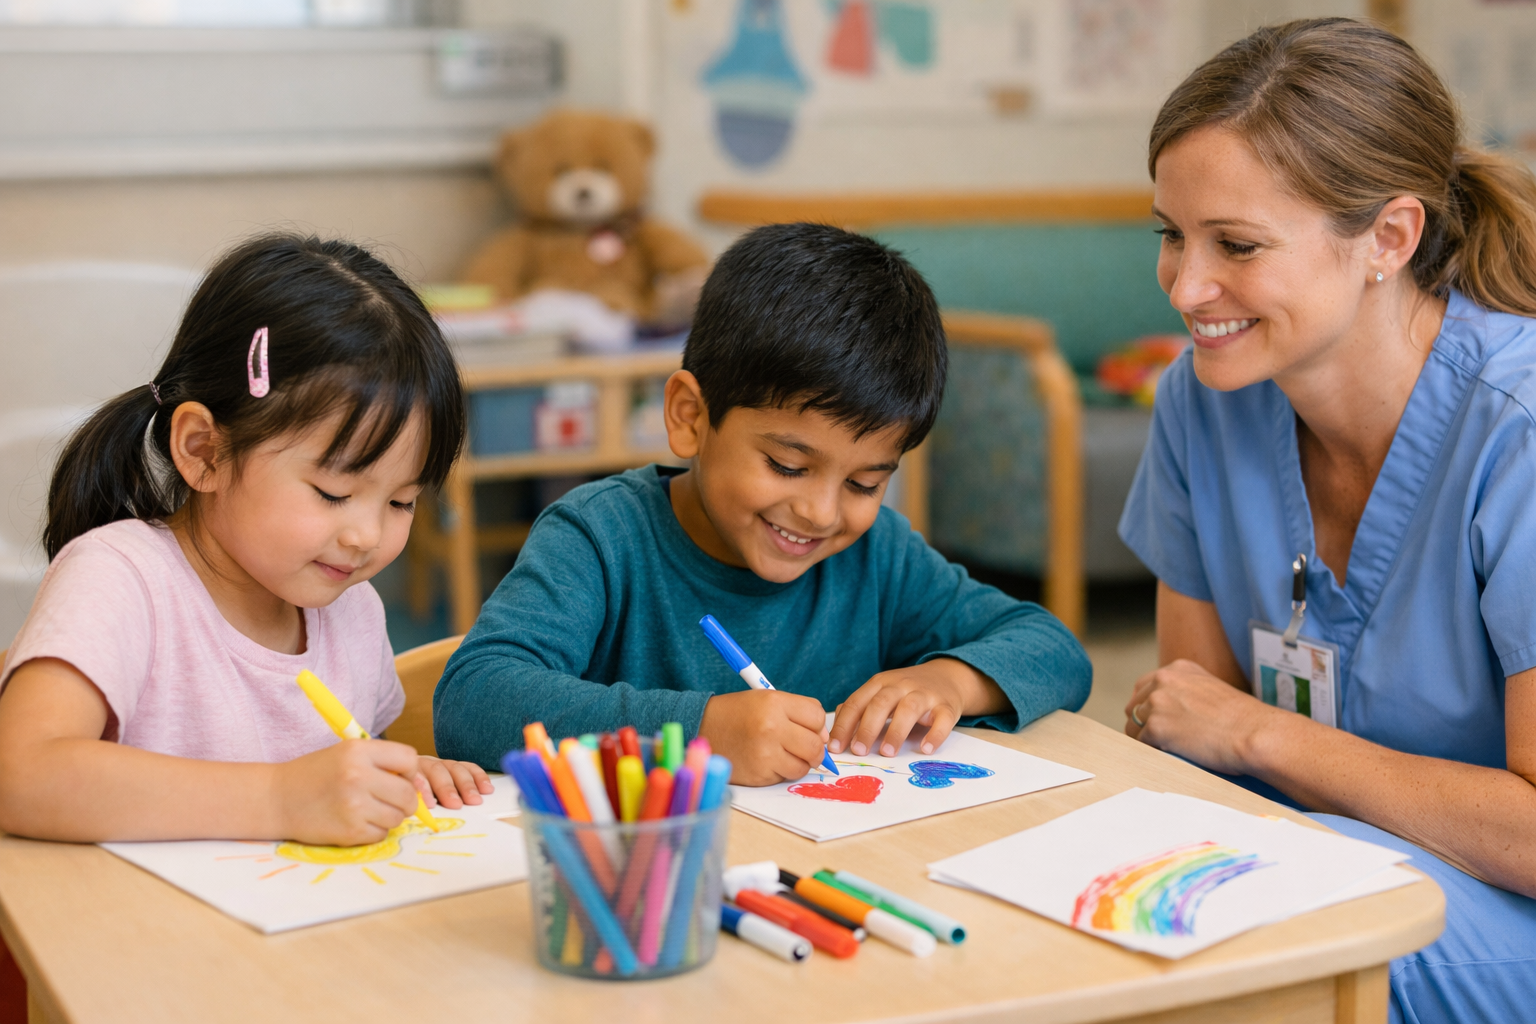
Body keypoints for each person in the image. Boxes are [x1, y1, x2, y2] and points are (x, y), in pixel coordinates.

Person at [1119, 19, 1536, 1023]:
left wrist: (1264, 736)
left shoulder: (1517, 434)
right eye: (1172, 235)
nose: (1185, 286)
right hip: (1295, 857)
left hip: (1502, 911)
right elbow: (1188, 728)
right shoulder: (1202, 401)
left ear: (1388, 238)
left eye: (1237, 245)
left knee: (1271, 957)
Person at [435, 223, 1091, 784]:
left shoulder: (875, 554)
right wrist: (698, 732)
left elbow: (1054, 650)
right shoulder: (601, 538)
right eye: (788, 465)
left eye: (864, 483)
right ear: (690, 416)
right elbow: (473, 702)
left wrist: (950, 681)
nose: (822, 513)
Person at [0, 234, 492, 846]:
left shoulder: (352, 611)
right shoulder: (120, 578)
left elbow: (343, 772)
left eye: (401, 502)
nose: (367, 535)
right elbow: (19, 774)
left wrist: (397, 779)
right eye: (332, 493)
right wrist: (277, 798)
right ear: (203, 451)